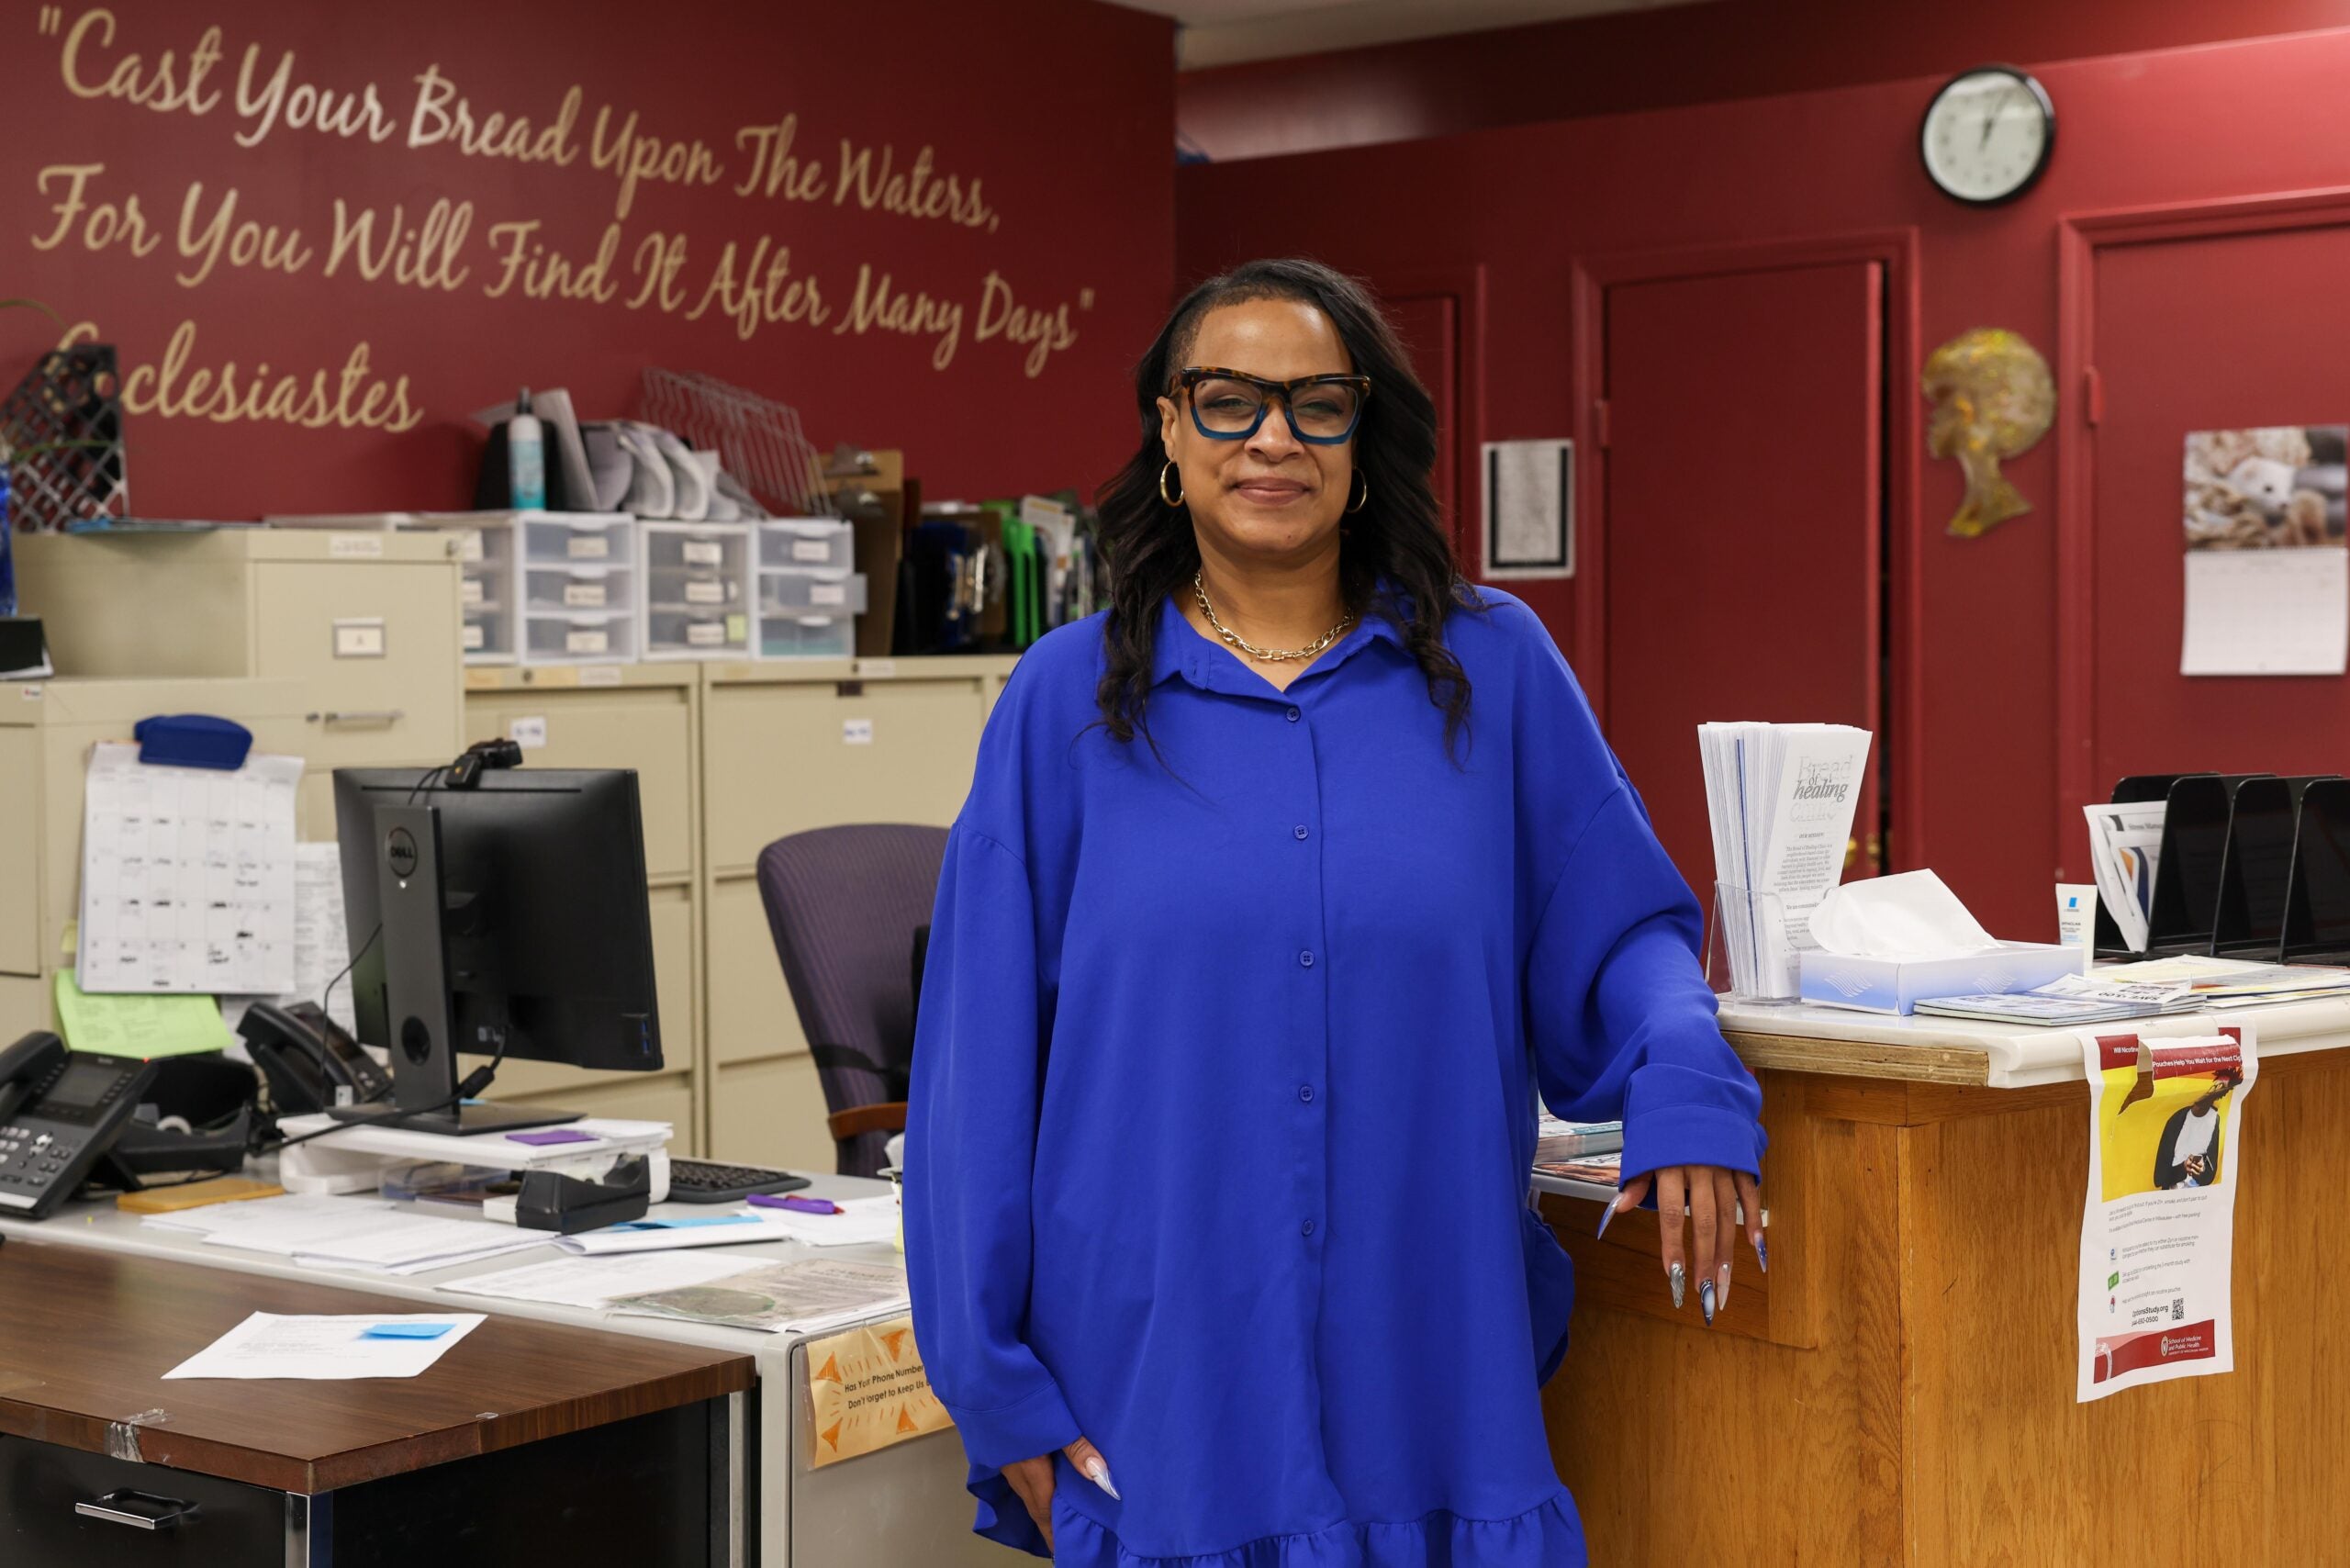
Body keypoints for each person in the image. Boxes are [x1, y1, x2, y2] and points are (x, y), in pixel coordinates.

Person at [904, 258, 1766, 1567]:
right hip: (1160, 1370)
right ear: (1170, 434)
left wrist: (1691, 1086)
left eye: (1317, 404)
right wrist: (990, 1381)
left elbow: (1622, 934)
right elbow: (972, 1071)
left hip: (1429, 1347)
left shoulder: (1496, 668)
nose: (1272, 439)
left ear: (1365, 441)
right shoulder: (1062, 702)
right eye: (1229, 401)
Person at [2154, 1074, 2234, 1189]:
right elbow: (2159, 1177)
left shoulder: (2215, 1120)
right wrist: (2183, 1168)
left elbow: (2209, 1175)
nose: (2215, 1090)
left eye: (2221, 1087)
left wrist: (2201, 1169)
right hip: (2171, 1197)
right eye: (2215, 1085)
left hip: (2198, 1197)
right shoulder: (2177, 1119)